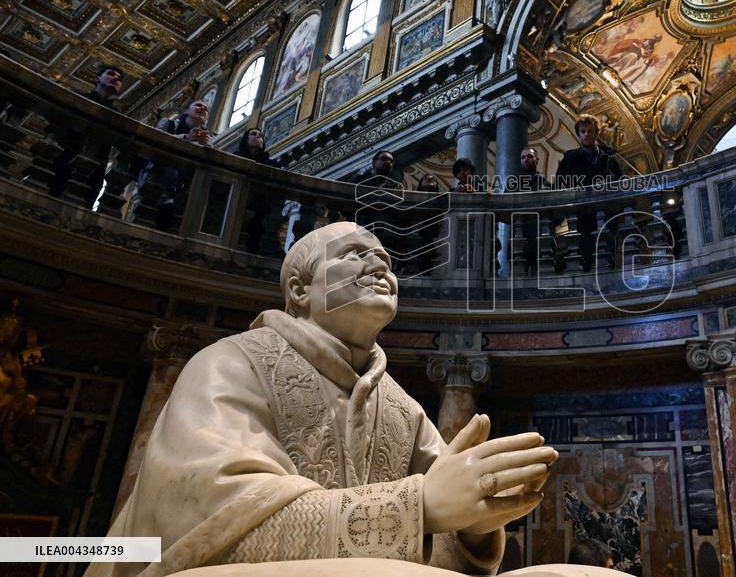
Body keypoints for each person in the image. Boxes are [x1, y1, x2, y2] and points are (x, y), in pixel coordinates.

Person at [87, 222, 558, 576]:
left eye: (386, 261)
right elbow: (198, 526)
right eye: (355, 255)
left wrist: (474, 524)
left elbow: (440, 547)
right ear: (299, 289)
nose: (381, 267)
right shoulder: (231, 363)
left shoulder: (401, 409)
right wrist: (420, 507)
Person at [128, 100, 214, 229]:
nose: (203, 109)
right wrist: (186, 138)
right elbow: (155, 141)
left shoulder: (207, 138)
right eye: (198, 105)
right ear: (186, 111)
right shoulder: (168, 123)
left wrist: (206, 145)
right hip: (157, 181)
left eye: (206, 109)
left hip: (184, 190)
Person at [45, 65, 125, 203]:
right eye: (111, 74)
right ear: (97, 79)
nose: (116, 77)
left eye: (119, 78)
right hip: (64, 156)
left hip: (95, 168)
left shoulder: (119, 116)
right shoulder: (77, 98)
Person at [555, 115, 624, 272]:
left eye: (590, 131)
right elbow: (559, 186)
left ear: (596, 133)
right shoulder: (570, 159)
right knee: (584, 253)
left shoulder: (610, 159)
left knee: (608, 252)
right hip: (582, 216)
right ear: (578, 134)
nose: (586, 134)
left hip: (607, 214)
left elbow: (622, 184)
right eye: (583, 131)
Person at [508, 147, 552, 274]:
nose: (526, 159)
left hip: (541, 233)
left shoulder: (546, 184)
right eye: (523, 157)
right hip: (519, 233)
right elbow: (504, 209)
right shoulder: (513, 184)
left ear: (537, 160)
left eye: (530, 156)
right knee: (517, 274)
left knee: (543, 273)